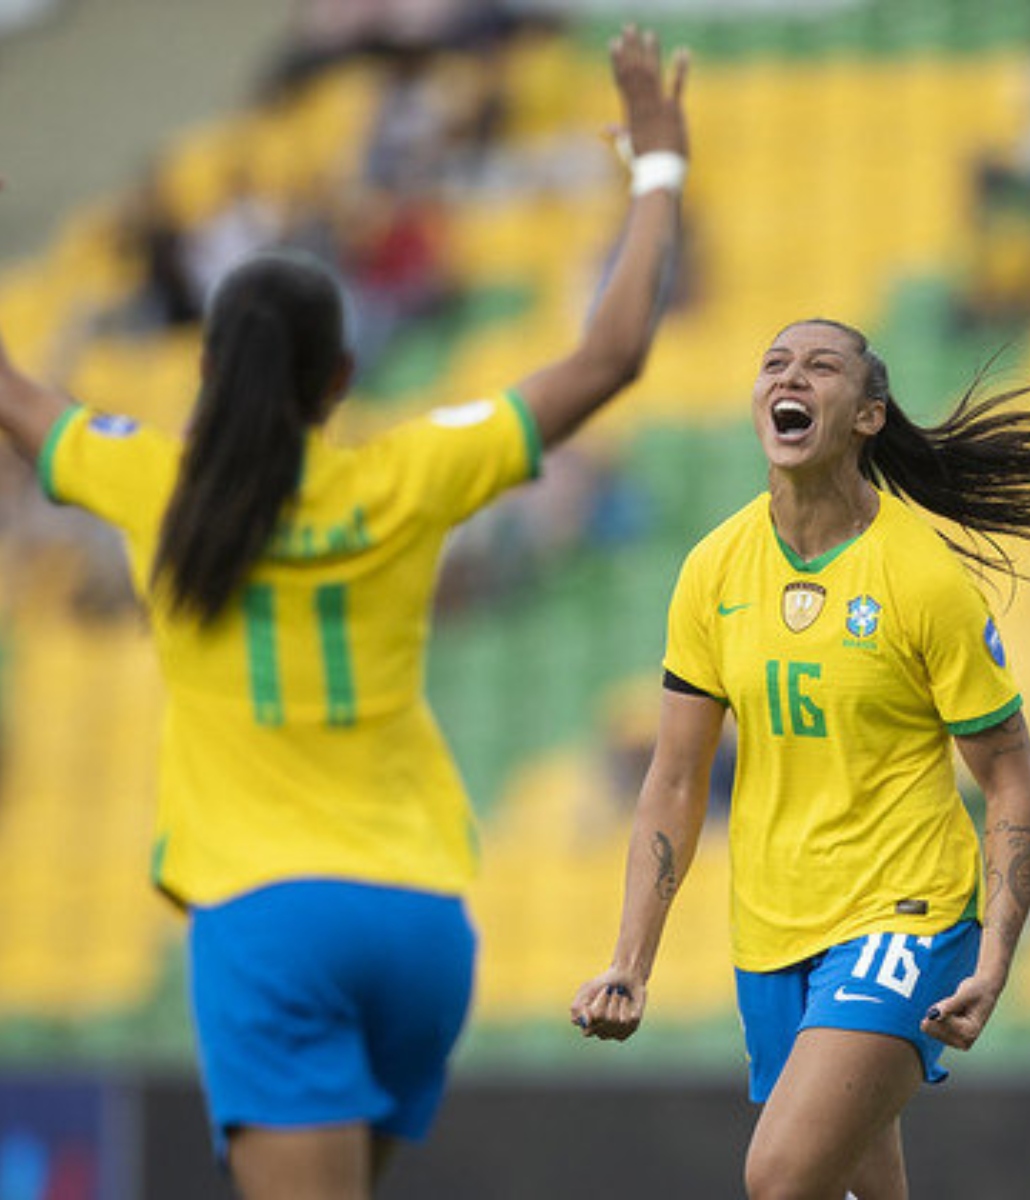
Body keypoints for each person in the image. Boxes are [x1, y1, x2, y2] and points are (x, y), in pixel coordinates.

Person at [0, 25, 688, 1200]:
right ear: (341, 380)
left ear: (208, 377)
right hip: (419, 926)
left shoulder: (151, 481)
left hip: (267, 926)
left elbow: (17, 395)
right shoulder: (408, 474)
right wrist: (660, 167)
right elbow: (611, 355)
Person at [571, 320, 1030, 1200]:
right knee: (862, 1189)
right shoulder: (712, 571)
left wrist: (992, 960)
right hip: (770, 932)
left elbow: (1007, 777)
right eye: (772, 363)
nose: (788, 376)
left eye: (820, 365)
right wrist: (631, 959)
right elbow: (678, 779)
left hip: (905, 916)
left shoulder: (920, 578)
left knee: (780, 1179)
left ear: (868, 415)